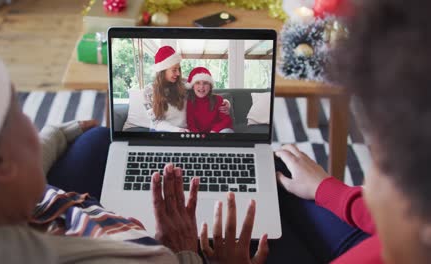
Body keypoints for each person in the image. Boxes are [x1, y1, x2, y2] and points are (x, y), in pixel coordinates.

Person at [0, 29, 269, 264]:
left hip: (73, 205)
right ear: (0, 161)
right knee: (274, 181)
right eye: (19, 114)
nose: (34, 125)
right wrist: (186, 252)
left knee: (99, 137)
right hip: (165, 240)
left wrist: (58, 131)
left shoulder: (5, 202)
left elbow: (24, 159)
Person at [200, 0, 431, 263]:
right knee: (276, 167)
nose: (367, 183)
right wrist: (326, 188)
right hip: (371, 237)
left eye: (383, 166)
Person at [143, 46, 230, 132]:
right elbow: (156, 122)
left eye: (179, 69)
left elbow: (205, 92)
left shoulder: (184, 84)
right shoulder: (149, 91)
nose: (178, 73)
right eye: (174, 70)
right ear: (163, 70)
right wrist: (177, 130)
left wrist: (225, 102)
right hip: (162, 131)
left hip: (185, 131)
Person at [186, 67, 234, 133]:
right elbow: (191, 124)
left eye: (205, 83)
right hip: (198, 135)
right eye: (197, 83)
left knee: (227, 131)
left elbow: (226, 120)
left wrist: (214, 131)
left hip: (217, 132)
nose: (201, 87)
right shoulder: (189, 102)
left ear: (210, 86)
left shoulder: (218, 99)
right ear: (192, 86)